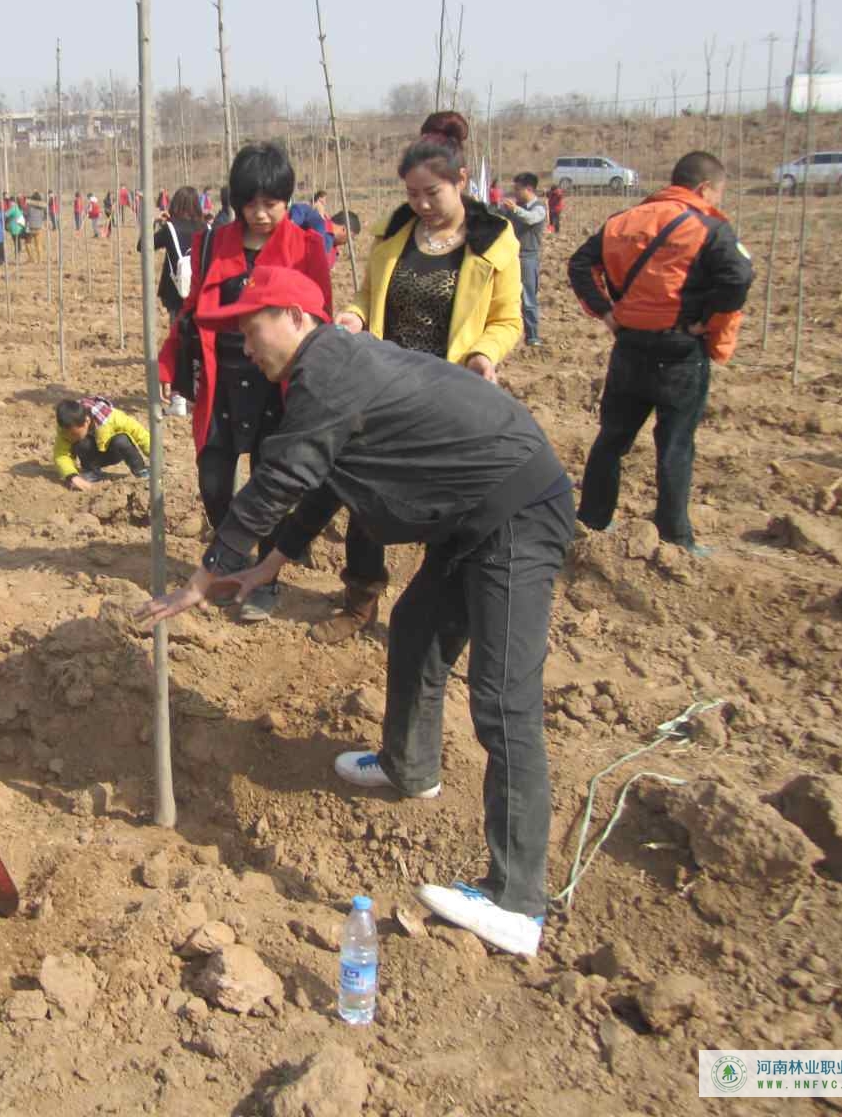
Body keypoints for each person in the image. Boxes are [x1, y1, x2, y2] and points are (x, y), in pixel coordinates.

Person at [143, 264, 573, 958]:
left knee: (502, 699)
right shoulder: (326, 371)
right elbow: (322, 483)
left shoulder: (327, 369)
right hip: (471, 514)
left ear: (294, 316)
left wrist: (203, 576)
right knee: (415, 630)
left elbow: (281, 478)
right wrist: (267, 566)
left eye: (251, 330)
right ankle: (410, 766)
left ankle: (517, 902)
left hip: (515, 511)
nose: (245, 348)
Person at [306, 112, 525, 643]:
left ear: (461, 180)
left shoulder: (493, 241)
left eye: (432, 193)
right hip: (384, 386)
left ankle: (440, 612)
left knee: (449, 506)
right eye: (412, 194)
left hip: (448, 394)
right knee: (364, 496)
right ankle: (360, 602)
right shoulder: (395, 232)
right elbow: (368, 295)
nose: (422, 204)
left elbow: (508, 319)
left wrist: (483, 354)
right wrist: (354, 317)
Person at [156, 140, 333, 623]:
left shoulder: (307, 248)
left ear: (287, 200)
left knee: (270, 482)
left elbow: (320, 317)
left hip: (278, 381)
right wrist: (169, 364)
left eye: (270, 203)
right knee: (213, 480)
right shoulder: (212, 243)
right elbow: (191, 310)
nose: (259, 214)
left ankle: (265, 578)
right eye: (249, 203)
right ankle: (232, 560)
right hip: (223, 377)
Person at [568, 150, 753, 555]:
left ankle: (593, 518)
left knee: (612, 438)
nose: (717, 201)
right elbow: (739, 277)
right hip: (680, 350)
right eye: (718, 194)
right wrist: (707, 321)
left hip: (629, 344)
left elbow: (580, 264)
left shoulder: (622, 221)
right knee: (675, 445)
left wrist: (606, 312)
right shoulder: (709, 229)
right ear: (704, 188)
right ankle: (675, 537)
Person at [53, 396, 150, 490]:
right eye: (68, 434)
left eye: (74, 434)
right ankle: (92, 472)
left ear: (86, 421)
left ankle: (140, 471)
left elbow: (141, 434)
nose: (71, 438)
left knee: (121, 440)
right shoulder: (66, 427)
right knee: (81, 443)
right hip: (93, 456)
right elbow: (61, 454)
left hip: (113, 451)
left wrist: (155, 458)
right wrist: (71, 476)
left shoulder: (112, 417)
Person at [498, 172, 547, 347]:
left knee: (527, 298)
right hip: (509, 256)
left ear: (529, 189)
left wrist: (515, 209)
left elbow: (530, 218)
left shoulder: (539, 208)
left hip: (527, 257)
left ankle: (532, 336)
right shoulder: (514, 208)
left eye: (518, 189)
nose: (515, 192)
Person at [154, 185, 204, 326]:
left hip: (176, 291)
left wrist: (155, 222)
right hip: (200, 289)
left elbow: (143, 246)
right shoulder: (207, 227)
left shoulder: (170, 228)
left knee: (178, 331)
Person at [24, 192, 47, 262]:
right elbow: (44, 217)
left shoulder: (29, 206)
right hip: (39, 227)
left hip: (30, 227)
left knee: (27, 243)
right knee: (38, 244)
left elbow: (25, 215)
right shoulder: (42, 207)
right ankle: (40, 260)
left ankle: (31, 258)